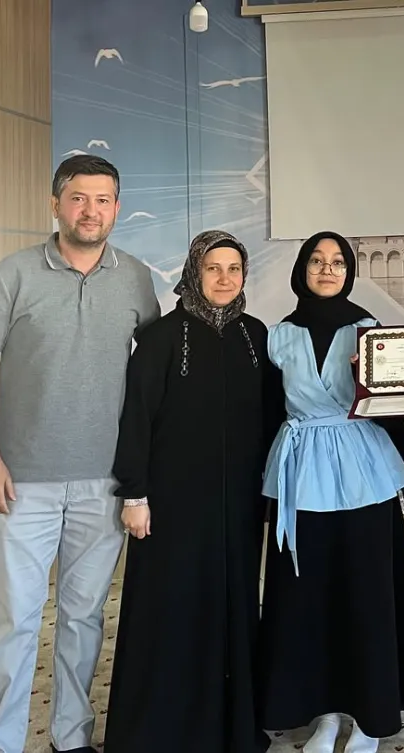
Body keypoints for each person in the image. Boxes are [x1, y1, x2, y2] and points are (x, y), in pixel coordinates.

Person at [0, 155, 160, 753]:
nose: (90, 211)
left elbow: (154, 374)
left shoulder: (135, 278)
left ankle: (70, 738)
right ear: (55, 204)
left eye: (102, 200)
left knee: (83, 618)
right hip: (21, 483)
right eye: (78, 198)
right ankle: (4, 743)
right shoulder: (13, 273)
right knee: (15, 621)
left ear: (116, 208)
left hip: (104, 484)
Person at [256, 231, 404, 753]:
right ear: (302, 269)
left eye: (337, 262)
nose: (327, 269)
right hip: (299, 473)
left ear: (349, 272)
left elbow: (393, 405)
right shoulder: (277, 336)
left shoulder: (370, 331)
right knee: (308, 599)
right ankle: (326, 714)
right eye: (317, 260)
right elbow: (266, 413)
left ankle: (370, 718)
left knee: (365, 595)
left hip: (363, 470)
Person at [102, 230, 277, 753]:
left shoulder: (256, 335)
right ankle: (163, 731)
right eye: (213, 268)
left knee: (233, 607)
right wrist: (135, 495)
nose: (224, 279)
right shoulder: (160, 338)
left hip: (238, 505)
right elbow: (136, 418)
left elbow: (273, 418)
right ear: (193, 273)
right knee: (172, 609)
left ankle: (230, 727)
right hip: (172, 506)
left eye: (234, 269)